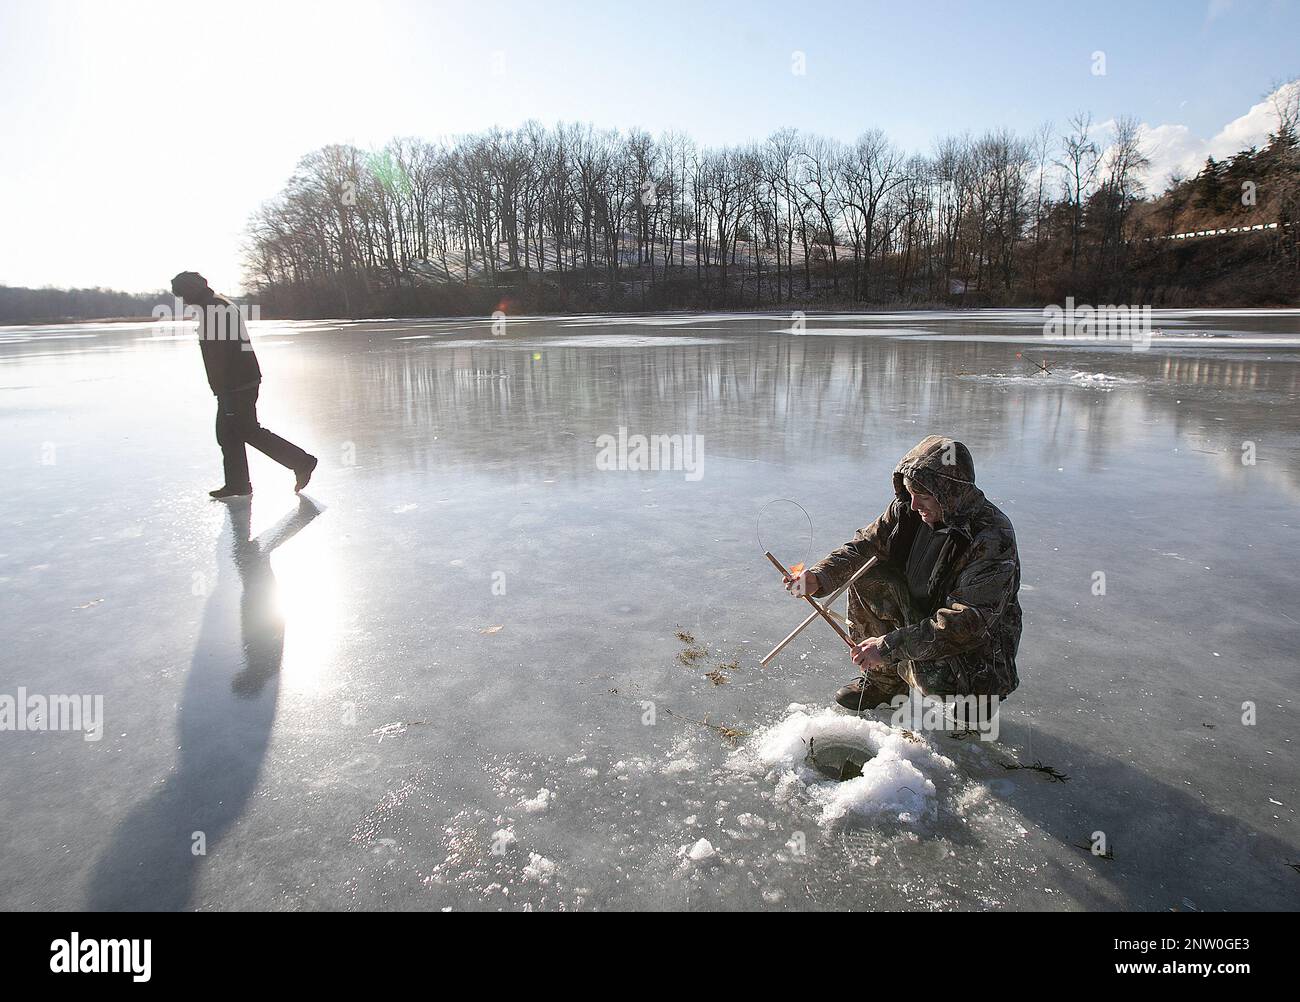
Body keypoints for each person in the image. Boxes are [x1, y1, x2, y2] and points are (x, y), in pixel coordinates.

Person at [785, 436, 1022, 710]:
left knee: (964, 703)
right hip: (920, 620)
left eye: (923, 497)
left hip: (972, 654)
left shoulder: (991, 537)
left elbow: (966, 623)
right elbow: (864, 547)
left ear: (951, 495)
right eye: (910, 495)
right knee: (867, 574)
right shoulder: (907, 511)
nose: (913, 505)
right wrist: (818, 578)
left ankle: (974, 702)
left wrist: (887, 647)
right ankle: (883, 684)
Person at [171, 272, 317, 500]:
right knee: (228, 434)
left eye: (182, 295)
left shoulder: (214, 309)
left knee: (246, 430)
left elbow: (221, 355)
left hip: (236, 384)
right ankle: (238, 484)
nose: (183, 301)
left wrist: (224, 389)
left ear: (191, 290)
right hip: (238, 381)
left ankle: (301, 461)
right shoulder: (214, 305)